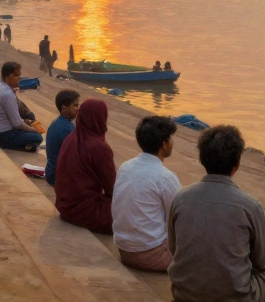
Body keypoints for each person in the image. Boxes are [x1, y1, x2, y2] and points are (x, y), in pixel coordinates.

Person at [169, 125, 265, 302]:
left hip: (184, 295)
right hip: (237, 297)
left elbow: (174, 248)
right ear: (237, 164)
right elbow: (262, 263)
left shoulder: (180, 198)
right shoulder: (250, 205)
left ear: (202, 160)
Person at [113, 116, 182, 272]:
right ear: (164, 144)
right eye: (170, 139)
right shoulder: (165, 177)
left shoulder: (126, 166)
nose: (172, 143)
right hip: (151, 254)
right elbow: (179, 218)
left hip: (124, 249)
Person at [53, 98, 115, 233]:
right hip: (85, 210)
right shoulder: (99, 147)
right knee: (135, 213)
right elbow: (112, 189)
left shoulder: (70, 138)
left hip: (64, 207)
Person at [0, 62, 41, 151]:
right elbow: (17, 124)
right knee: (37, 137)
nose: (18, 78)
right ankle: (19, 147)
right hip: (1, 134)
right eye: (15, 75)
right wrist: (33, 130)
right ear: (6, 77)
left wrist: (25, 122)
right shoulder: (7, 94)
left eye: (19, 75)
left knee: (27, 126)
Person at [44, 90, 80, 186]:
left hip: (51, 171)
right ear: (64, 107)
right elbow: (75, 156)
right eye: (75, 105)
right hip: (57, 176)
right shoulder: (67, 129)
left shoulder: (57, 123)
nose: (78, 109)